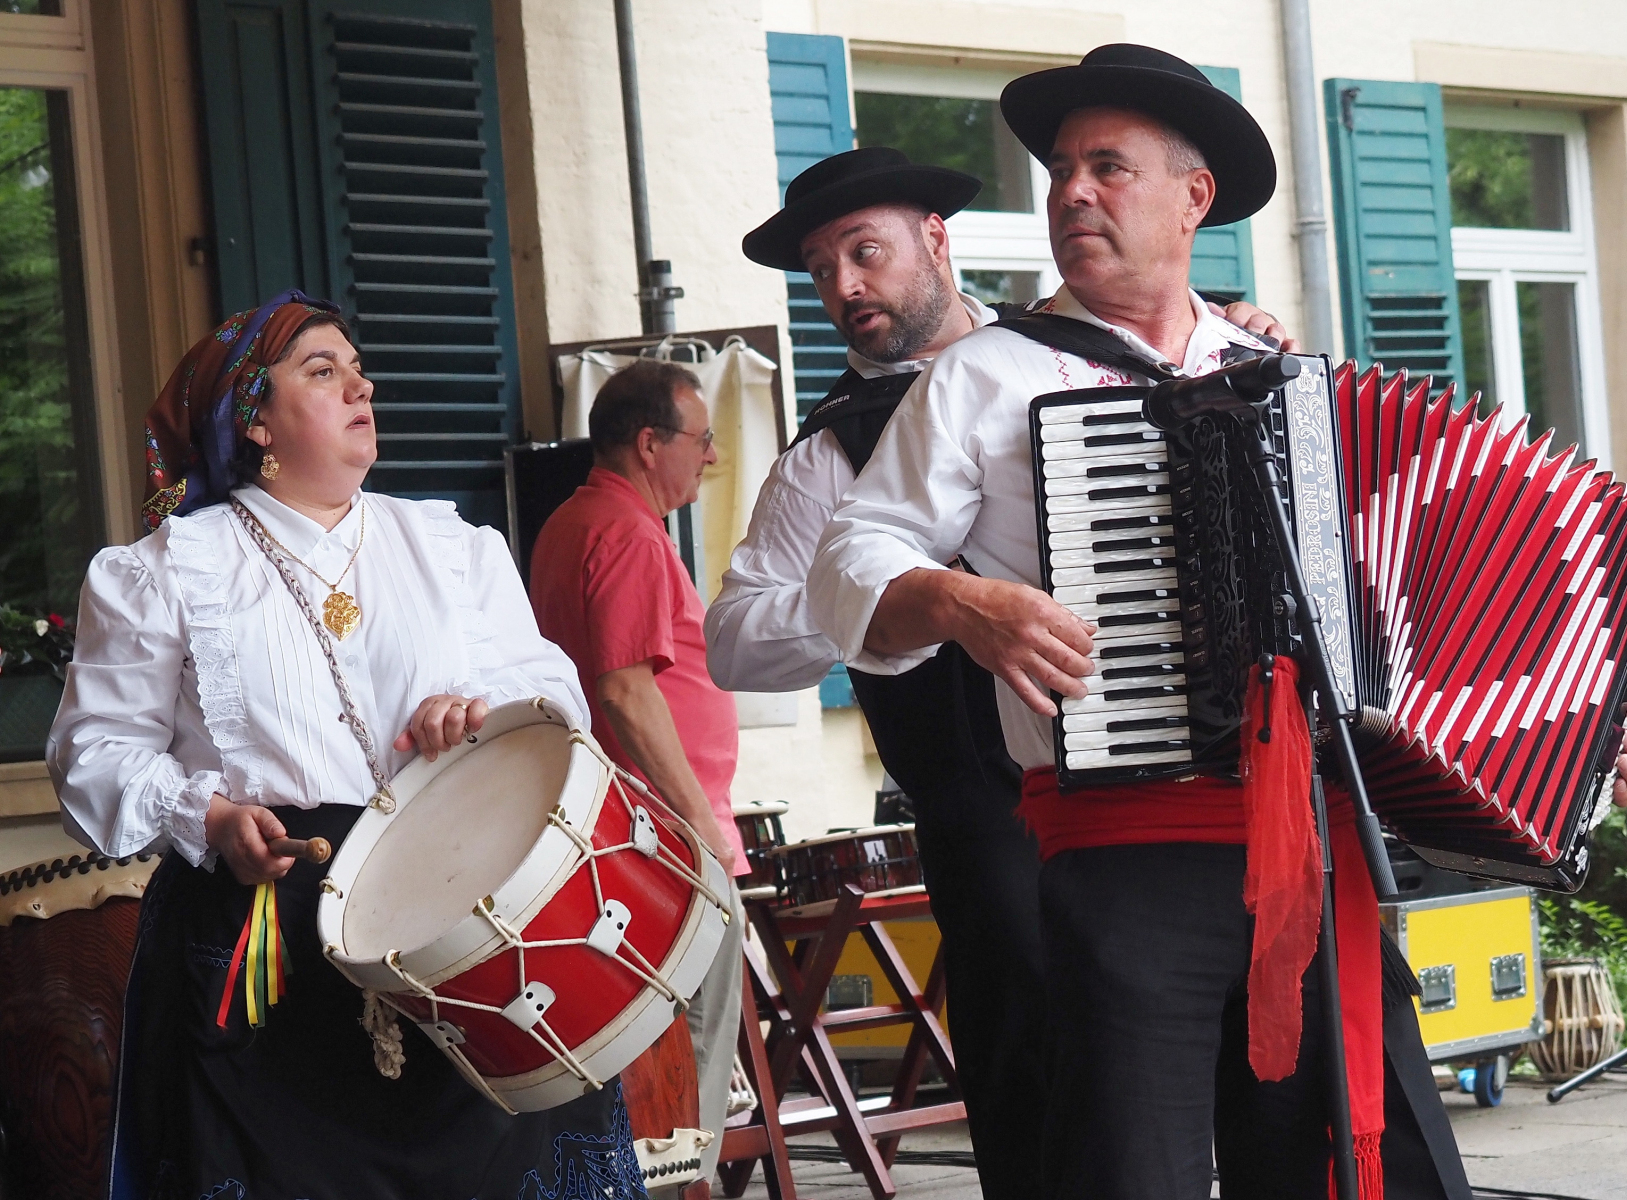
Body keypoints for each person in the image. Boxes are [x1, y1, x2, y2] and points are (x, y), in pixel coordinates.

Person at [807, 45, 1627, 1200]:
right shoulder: (982, 376)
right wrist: (962, 603)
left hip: (1305, 850)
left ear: (1193, 197)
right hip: (1121, 854)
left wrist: (1583, 730)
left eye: (1107, 167)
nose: (1071, 192)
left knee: (1375, 1170)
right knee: (1128, 1176)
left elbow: (1428, 594)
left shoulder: (1284, 377)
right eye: (1060, 170)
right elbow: (849, 560)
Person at [716, 145, 1288, 1200]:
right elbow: (737, 638)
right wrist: (905, 596)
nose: (844, 287)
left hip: (1170, 780)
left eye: (864, 253)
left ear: (936, 240)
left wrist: (1234, 346)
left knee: (1243, 1075)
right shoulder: (829, 455)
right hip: (988, 815)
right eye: (822, 270)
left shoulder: (1064, 355)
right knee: (1049, 1088)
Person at [47, 291, 646, 1200]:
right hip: (267, 937)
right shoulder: (166, 569)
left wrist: (480, 712)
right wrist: (210, 817)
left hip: (464, 920)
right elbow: (93, 752)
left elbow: (555, 694)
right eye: (323, 372)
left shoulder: (451, 546)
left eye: (358, 371)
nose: (361, 388)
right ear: (255, 421)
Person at [528, 359, 744, 1189]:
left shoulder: (571, 521)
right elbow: (624, 688)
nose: (712, 457)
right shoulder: (624, 530)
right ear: (650, 443)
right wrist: (704, 829)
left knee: (646, 1069)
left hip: (619, 831)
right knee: (683, 1069)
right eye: (702, 439)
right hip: (662, 839)